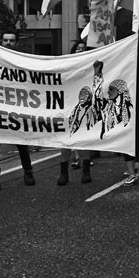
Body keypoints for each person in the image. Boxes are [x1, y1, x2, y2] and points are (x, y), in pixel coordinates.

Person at [0, 30, 35, 194]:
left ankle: (28, 172)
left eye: (11, 41)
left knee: (21, 142)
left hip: (16, 108)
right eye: (5, 40)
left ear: (16, 43)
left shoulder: (22, 61)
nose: (7, 43)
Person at [57, 40, 93, 186]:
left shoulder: (92, 67)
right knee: (66, 140)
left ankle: (86, 170)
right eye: (77, 48)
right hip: (68, 107)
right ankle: (63, 172)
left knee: (86, 139)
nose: (80, 50)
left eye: (83, 48)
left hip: (87, 107)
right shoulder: (67, 67)